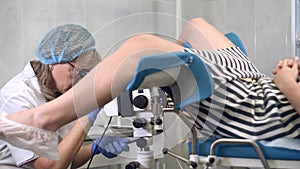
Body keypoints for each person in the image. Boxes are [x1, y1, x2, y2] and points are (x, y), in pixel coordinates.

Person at [1, 18, 300, 158]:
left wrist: (287, 80)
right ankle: (176, 67)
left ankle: (46, 117)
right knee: (195, 25)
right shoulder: (19, 92)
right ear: (54, 64)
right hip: (256, 82)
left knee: (140, 47)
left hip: (259, 106)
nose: (79, 78)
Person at [0, 24, 129, 168]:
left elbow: (66, 158)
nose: (79, 82)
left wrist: (93, 148)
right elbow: (48, 166)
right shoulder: (17, 96)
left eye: (85, 75)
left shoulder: (58, 93)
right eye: (77, 71)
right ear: (54, 61)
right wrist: (85, 118)